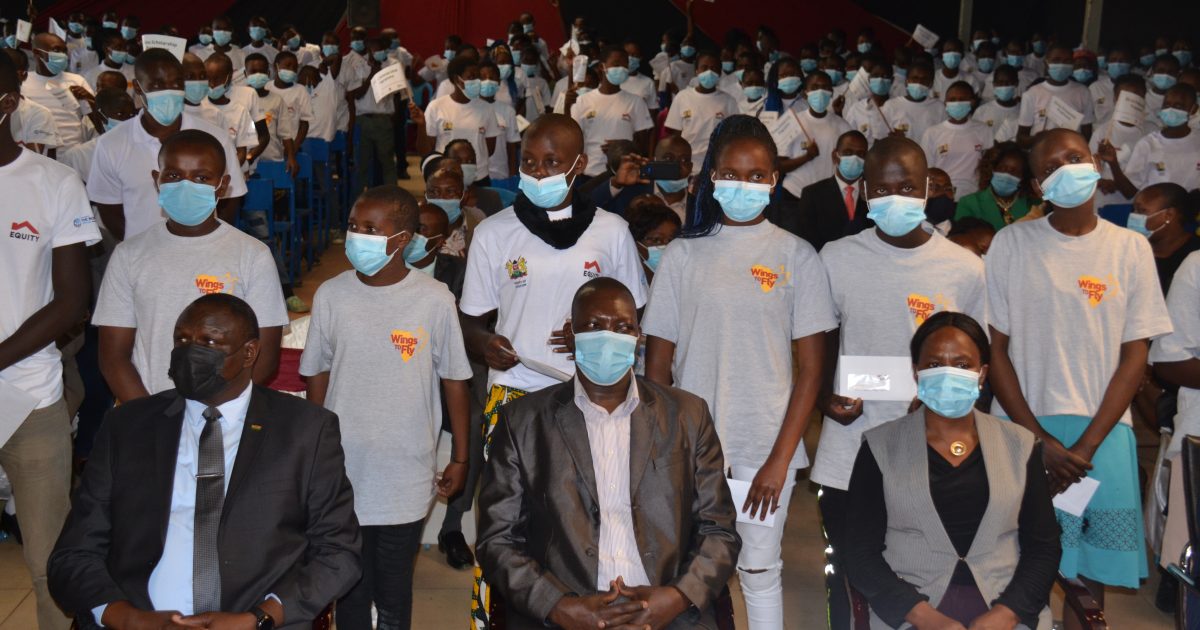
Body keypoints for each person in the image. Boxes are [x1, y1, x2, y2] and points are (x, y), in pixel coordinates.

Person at [49, 293, 362, 630]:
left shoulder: (305, 430)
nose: (189, 352)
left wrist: (259, 618)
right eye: (182, 340)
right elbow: (73, 553)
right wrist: (125, 617)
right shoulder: (128, 426)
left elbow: (338, 553)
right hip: (139, 618)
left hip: (252, 620)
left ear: (249, 352)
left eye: (208, 342)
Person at [643, 114, 836, 628]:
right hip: (692, 447)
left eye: (755, 176)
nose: (743, 185)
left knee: (759, 568)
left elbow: (812, 371)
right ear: (711, 177)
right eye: (730, 174)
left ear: (774, 180)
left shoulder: (796, 256)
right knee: (687, 574)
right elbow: (657, 365)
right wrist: (667, 447)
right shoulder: (682, 255)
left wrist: (780, 461)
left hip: (764, 445)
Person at [459, 113, 647, 629]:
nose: (538, 172)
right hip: (517, 392)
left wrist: (595, 329)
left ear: (579, 165)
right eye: (529, 162)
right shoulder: (495, 232)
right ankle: (494, 619)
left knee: (592, 515)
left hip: (595, 395)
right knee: (505, 521)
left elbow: (635, 312)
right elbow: (471, 319)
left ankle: (596, 612)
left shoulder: (610, 231)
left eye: (551, 162)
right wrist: (484, 344)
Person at [477, 276, 740, 630]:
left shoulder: (688, 416)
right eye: (593, 326)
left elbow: (719, 529)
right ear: (570, 336)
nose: (608, 337)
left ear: (637, 338)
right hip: (567, 611)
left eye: (622, 327)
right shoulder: (522, 422)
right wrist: (559, 606)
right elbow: (497, 539)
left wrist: (677, 597)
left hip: (668, 609)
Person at [987, 128, 1172, 617]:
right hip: (1023, 429)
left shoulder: (1130, 249)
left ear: (1094, 162)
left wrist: (1086, 447)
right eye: (1051, 167)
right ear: (1036, 186)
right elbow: (996, 350)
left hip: (1102, 434)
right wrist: (1038, 438)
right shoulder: (1012, 243)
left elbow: (1135, 355)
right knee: (1014, 568)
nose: (1066, 170)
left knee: (1087, 581)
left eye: (1075, 157)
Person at [814, 137, 987, 629]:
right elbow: (819, 342)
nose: (895, 197)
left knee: (927, 578)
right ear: (866, 190)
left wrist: (947, 405)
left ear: (927, 187)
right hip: (851, 448)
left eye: (907, 187)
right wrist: (825, 395)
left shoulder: (964, 267)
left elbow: (980, 361)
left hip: (934, 453)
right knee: (849, 573)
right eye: (883, 188)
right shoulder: (836, 257)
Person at [301, 185, 472, 630]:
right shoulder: (331, 295)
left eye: (371, 229)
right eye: (353, 226)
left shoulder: (434, 299)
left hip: (405, 469)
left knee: (393, 589)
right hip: (343, 466)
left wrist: (460, 457)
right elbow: (316, 373)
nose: (358, 235)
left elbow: (455, 380)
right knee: (350, 586)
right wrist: (313, 449)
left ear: (403, 239)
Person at [844, 312, 1061, 629]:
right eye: (934, 364)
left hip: (1006, 607)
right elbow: (860, 552)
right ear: (916, 372)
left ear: (982, 373)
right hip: (911, 610)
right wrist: (925, 618)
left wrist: (1007, 613)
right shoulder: (880, 447)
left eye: (962, 365)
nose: (948, 375)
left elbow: (1044, 546)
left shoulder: (1020, 445)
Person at [0, 48, 98, 630]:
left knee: (48, 565)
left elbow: (71, 300)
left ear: (8, 103)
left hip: (31, 395)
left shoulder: (54, 182)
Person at [93, 128, 286, 404]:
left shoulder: (252, 255)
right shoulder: (128, 255)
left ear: (223, 185)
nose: (186, 186)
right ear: (156, 180)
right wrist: (150, 415)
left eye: (201, 178)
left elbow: (264, 356)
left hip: (222, 412)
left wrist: (215, 411)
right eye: (173, 176)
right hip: (149, 407)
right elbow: (113, 358)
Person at [88, 48, 246, 241]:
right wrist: (142, 247)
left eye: (177, 83)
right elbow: (109, 209)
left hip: (203, 249)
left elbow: (230, 199)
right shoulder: (111, 144)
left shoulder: (215, 137)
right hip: (142, 252)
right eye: (158, 84)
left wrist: (210, 242)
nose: (170, 91)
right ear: (138, 87)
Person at [412, 55, 498, 187]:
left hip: (479, 176)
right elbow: (425, 151)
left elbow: (490, 149)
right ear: (457, 79)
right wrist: (421, 125)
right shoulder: (436, 107)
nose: (477, 81)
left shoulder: (487, 109)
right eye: (471, 77)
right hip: (445, 176)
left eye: (478, 77)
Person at [571, 45, 654, 177]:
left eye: (625, 65)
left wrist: (623, 147)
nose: (621, 68)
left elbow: (643, 145)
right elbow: (574, 140)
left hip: (624, 174)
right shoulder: (583, 101)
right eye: (616, 64)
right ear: (602, 67)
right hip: (590, 173)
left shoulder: (636, 102)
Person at [778, 70, 851, 203]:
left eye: (825, 87)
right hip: (794, 194)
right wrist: (807, 157)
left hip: (827, 197)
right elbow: (778, 166)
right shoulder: (792, 122)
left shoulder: (843, 126)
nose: (820, 92)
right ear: (805, 93)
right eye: (815, 87)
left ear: (831, 93)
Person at [796, 130, 872, 250]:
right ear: (835, 156)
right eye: (848, 153)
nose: (854, 158)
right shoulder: (812, 195)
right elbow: (806, 243)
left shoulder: (874, 194)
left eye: (860, 154)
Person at [664, 51, 738, 172]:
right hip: (687, 166)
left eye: (714, 68)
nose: (709, 72)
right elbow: (675, 135)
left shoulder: (729, 101)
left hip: (716, 166)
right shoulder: (682, 97)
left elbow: (734, 137)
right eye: (704, 67)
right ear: (697, 71)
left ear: (720, 73)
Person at [1090, 74, 1153, 214]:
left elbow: (1153, 172)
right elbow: (1089, 170)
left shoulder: (1152, 132)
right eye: (1125, 97)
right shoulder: (1102, 132)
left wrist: (1118, 184)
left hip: (1139, 205)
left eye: (1136, 96)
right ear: (1115, 99)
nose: (1130, 101)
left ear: (1143, 99)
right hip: (1104, 203)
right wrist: (1102, 182)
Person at [919, 81, 992, 200]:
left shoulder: (983, 130)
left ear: (972, 102)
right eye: (952, 99)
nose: (957, 103)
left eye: (962, 99)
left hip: (973, 195)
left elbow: (988, 167)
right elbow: (927, 169)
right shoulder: (932, 133)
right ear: (945, 103)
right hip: (940, 196)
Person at [1017, 43, 1096, 145]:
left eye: (1067, 61)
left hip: (1071, 150)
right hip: (1041, 151)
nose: (1061, 65)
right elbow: (1021, 138)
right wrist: (1038, 138)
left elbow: (1087, 134)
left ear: (1072, 64)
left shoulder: (1083, 92)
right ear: (1046, 63)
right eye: (1056, 60)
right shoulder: (1031, 94)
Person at [1126, 83, 1200, 192]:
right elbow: (1130, 187)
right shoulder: (1148, 144)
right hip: (1157, 202)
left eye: (1178, 106)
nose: (1170, 110)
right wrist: (1114, 164)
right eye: (1166, 105)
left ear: (1193, 109)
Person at [24, 32, 92, 148]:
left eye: (64, 51)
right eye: (56, 50)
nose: (63, 55)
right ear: (37, 53)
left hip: (73, 151)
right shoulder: (23, 83)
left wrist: (89, 98)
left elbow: (93, 118)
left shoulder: (77, 81)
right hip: (37, 152)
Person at [954, 142, 1038, 230]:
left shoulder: (1034, 205)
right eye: (1002, 168)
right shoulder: (969, 203)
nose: (1007, 175)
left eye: (1014, 171)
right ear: (993, 169)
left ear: (1023, 177)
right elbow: (962, 235)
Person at [265, 50, 314, 177]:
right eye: (287, 66)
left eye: (294, 67)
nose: (291, 70)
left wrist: (294, 147)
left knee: (292, 179)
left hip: (292, 147)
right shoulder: (266, 88)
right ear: (276, 66)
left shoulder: (300, 91)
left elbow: (304, 123)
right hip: (269, 148)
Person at [424, 161, 484, 257]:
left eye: (450, 192)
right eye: (434, 192)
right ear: (426, 195)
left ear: (464, 196)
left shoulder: (478, 227)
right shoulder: (415, 230)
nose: (442, 198)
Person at [880, 60, 945, 142]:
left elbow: (944, 136)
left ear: (931, 84)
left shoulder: (939, 107)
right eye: (915, 78)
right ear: (906, 81)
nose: (919, 82)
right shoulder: (891, 105)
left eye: (924, 79)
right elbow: (882, 137)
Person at [478, 59, 520, 183]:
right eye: (482, 78)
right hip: (477, 175)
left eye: (492, 77)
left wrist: (512, 176)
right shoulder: (470, 109)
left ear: (499, 82)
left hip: (501, 174)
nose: (487, 81)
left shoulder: (508, 111)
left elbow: (511, 147)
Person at [626, 198, 681, 281]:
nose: (667, 246)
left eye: (671, 240)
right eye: (657, 240)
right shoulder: (625, 279)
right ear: (636, 243)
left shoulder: (680, 277)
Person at [844, 58, 895, 144]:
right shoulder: (857, 109)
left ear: (892, 80)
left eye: (885, 76)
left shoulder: (898, 108)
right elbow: (848, 137)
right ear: (869, 79)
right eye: (876, 75)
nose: (880, 80)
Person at [651, 135, 693, 221]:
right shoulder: (633, 194)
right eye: (668, 158)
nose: (676, 166)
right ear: (654, 162)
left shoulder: (700, 206)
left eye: (684, 160)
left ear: (690, 167)